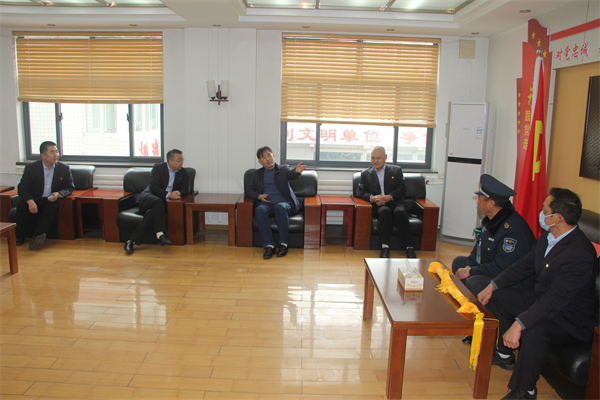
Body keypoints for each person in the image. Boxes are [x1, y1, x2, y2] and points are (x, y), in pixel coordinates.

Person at [478, 188, 599, 400]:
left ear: (558, 217)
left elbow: (556, 300)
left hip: (571, 318)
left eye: (544, 209)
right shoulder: (549, 237)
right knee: (499, 297)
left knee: (534, 328)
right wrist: (493, 285)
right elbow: (524, 266)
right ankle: (504, 354)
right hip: (544, 301)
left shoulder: (580, 254)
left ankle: (525, 391)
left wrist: (520, 324)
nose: (540, 213)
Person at [453, 174, 536, 296]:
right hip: (493, 267)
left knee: (474, 282)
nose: (478, 203)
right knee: (459, 263)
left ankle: (477, 304)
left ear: (491, 204)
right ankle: (466, 298)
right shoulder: (491, 221)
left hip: (513, 282)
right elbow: (478, 251)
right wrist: (469, 266)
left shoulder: (513, 231)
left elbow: (502, 268)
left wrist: (471, 271)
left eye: (480, 199)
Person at [246, 146, 306, 259]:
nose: (268, 158)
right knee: (259, 210)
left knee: (280, 207)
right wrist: (258, 196)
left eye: (269, 155)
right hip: (267, 204)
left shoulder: (283, 169)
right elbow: (249, 190)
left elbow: (291, 174)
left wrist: (296, 172)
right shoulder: (257, 174)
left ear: (273, 156)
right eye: (264, 157)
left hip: (284, 203)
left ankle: (283, 244)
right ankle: (269, 246)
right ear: (260, 161)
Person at [124, 149, 188, 254]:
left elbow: (186, 189)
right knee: (157, 202)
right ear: (170, 161)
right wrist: (168, 194)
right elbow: (154, 187)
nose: (182, 162)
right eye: (179, 160)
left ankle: (131, 241)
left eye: (182, 160)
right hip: (148, 198)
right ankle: (159, 233)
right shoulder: (158, 168)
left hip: (161, 205)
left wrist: (178, 192)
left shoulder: (182, 172)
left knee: (151, 213)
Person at [357, 146, 415, 259]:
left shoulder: (396, 170)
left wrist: (390, 196)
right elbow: (362, 192)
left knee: (400, 212)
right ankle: (385, 247)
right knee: (385, 212)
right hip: (379, 205)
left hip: (396, 202)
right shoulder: (366, 174)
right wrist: (372, 198)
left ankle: (409, 247)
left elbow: (402, 188)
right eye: (373, 158)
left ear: (385, 157)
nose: (375, 161)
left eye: (378, 158)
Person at [16, 141, 75, 250]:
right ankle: (19, 237)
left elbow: (69, 187)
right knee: (21, 206)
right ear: (43, 155)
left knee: (52, 208)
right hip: (33, 199)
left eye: (57, 152)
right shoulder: (31, 168)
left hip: (49, 201)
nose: (56, 155)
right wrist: (30, 201)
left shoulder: (63, 168)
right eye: (52, 152)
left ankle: (38, 236)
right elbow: (22, 188)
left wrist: (59, 194)